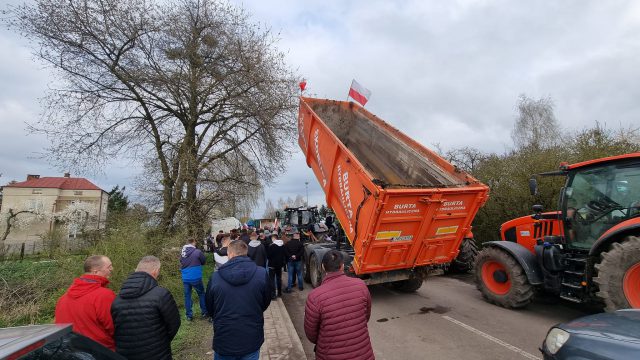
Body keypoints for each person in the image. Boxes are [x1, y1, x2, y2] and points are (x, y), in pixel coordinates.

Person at [205, 240, 271, 360]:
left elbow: (209, 307)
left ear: (229, 254)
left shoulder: (216, 277)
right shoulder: (261, 273)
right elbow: (266, 301)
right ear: (246, 253)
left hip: (224, 338)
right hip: (251, 337)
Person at [304, 250, 374, 360]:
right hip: (363, 354)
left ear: (322, 267)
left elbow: (311, 334)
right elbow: (366, 317)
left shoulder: (315, 296)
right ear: (342, 266)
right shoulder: (361, 285)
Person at [111, 256, 180, 360]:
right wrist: (161, 341)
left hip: (126, 354)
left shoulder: (117, 299)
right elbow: (174, 324)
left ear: (136, 270)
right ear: (156, 271)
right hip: (157, 353)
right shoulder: (161, 294)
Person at [55, 255, 116, 350]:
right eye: (109, 267)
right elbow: (115, 328)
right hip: (100, 352)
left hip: (70, 351)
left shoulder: (63, 298)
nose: (112, 269)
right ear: (95, 271)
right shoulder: (104, 295)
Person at [180, 238, 208, 321]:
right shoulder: (197, 252)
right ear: (193, 242)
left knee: (187, 296)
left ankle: (189, 315)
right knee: (201, 293)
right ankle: (204, 312)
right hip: (195, 276)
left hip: (185, 278)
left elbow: (181, 262)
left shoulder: (182, 253)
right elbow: (203, 261)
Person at [267, 233, 286, 299]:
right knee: (279, 279)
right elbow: (284, 255)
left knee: (272, 280)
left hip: (272, 265)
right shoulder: (282, 245)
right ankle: (280, 293)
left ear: (274, 238)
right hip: (279, 265)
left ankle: (273, 295)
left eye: (272, 238)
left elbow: (268, 256)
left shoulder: (271, 246)